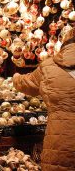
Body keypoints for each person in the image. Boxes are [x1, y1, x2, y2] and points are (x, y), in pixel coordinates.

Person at [13, 29, 75, 171]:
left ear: (65, 43)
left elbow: (25, 84)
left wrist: (16, 77)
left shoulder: (49, 67)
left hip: (60, 143)